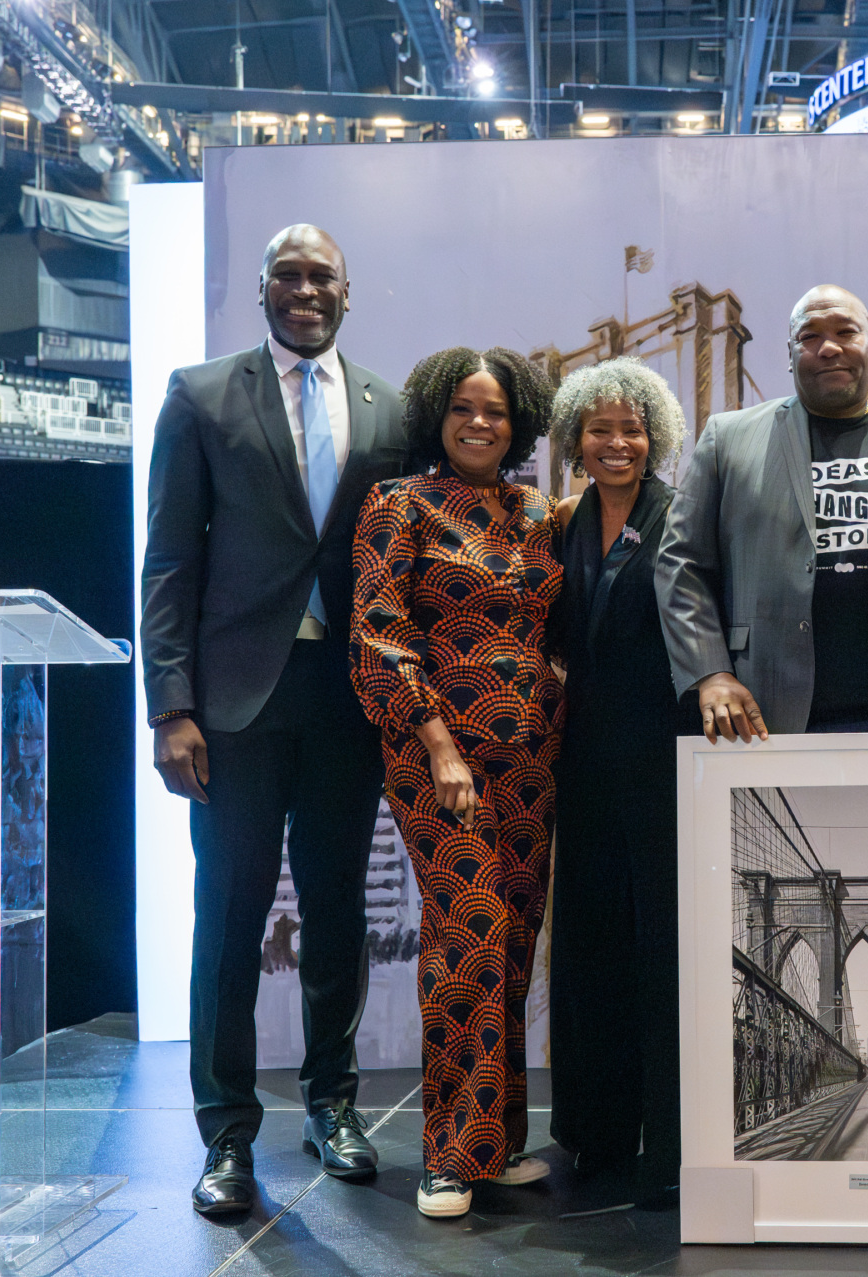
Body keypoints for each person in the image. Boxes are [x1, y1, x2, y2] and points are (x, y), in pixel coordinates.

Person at [141, 224, 407, 1216]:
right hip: (235, 704)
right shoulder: (200, 394)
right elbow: (167, 562)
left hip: (349, 697)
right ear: (260, 292)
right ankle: (226, 1135)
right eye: (287, 276)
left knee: (338, 908)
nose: (305, 290)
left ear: (349, 290)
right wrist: (171, 706)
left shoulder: (391, 408)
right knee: (230, 917)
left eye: (321, 276)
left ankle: (332, 1107)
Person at [351, 345, 562, 1220]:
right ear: (437, 413)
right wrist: (438, 743)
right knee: (466, 937)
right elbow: (378, 633)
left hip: (533, 760)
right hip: (441, 757)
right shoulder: (397, 505)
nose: (482, 423)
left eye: (499, 411)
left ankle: (498, 1142)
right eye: (466, 408)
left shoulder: (535, 511)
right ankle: (447, 1156)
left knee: (511, 944)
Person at [658, 284, 868, 741]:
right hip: (765, 718)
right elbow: (681, 566)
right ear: (790, 353)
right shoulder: (727, 442)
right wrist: (710, 673)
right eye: (809, 336)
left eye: (846, 331)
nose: (829, 348)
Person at [544, 358, 694, 1208]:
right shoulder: (560, 524)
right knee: (590, 946)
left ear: (656, 437)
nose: (616, 442)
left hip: (664, 759)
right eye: (599, 429)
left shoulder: (679, 517)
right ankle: (594, 1132)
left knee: (659, 951)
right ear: (576, 438)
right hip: (583, 765)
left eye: (632, 428)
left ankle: (665, 1146)